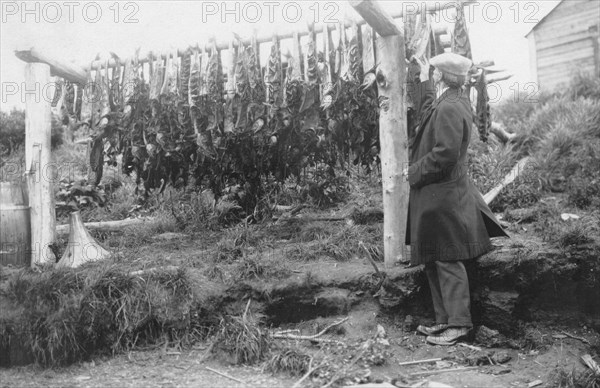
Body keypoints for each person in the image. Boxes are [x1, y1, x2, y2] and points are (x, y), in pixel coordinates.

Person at [403, 52, 509, 346]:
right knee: (435, 257)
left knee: (447, 257)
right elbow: (428, 113)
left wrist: (412, 172)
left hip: (444, 195)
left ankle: (459, 324)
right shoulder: (452, 100)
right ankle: (444, 321)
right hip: (441, 194)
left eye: (434, 71)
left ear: (443, 76)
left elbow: (445, 155)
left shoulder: (450, 107)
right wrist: (424, 80)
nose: (432, 73)